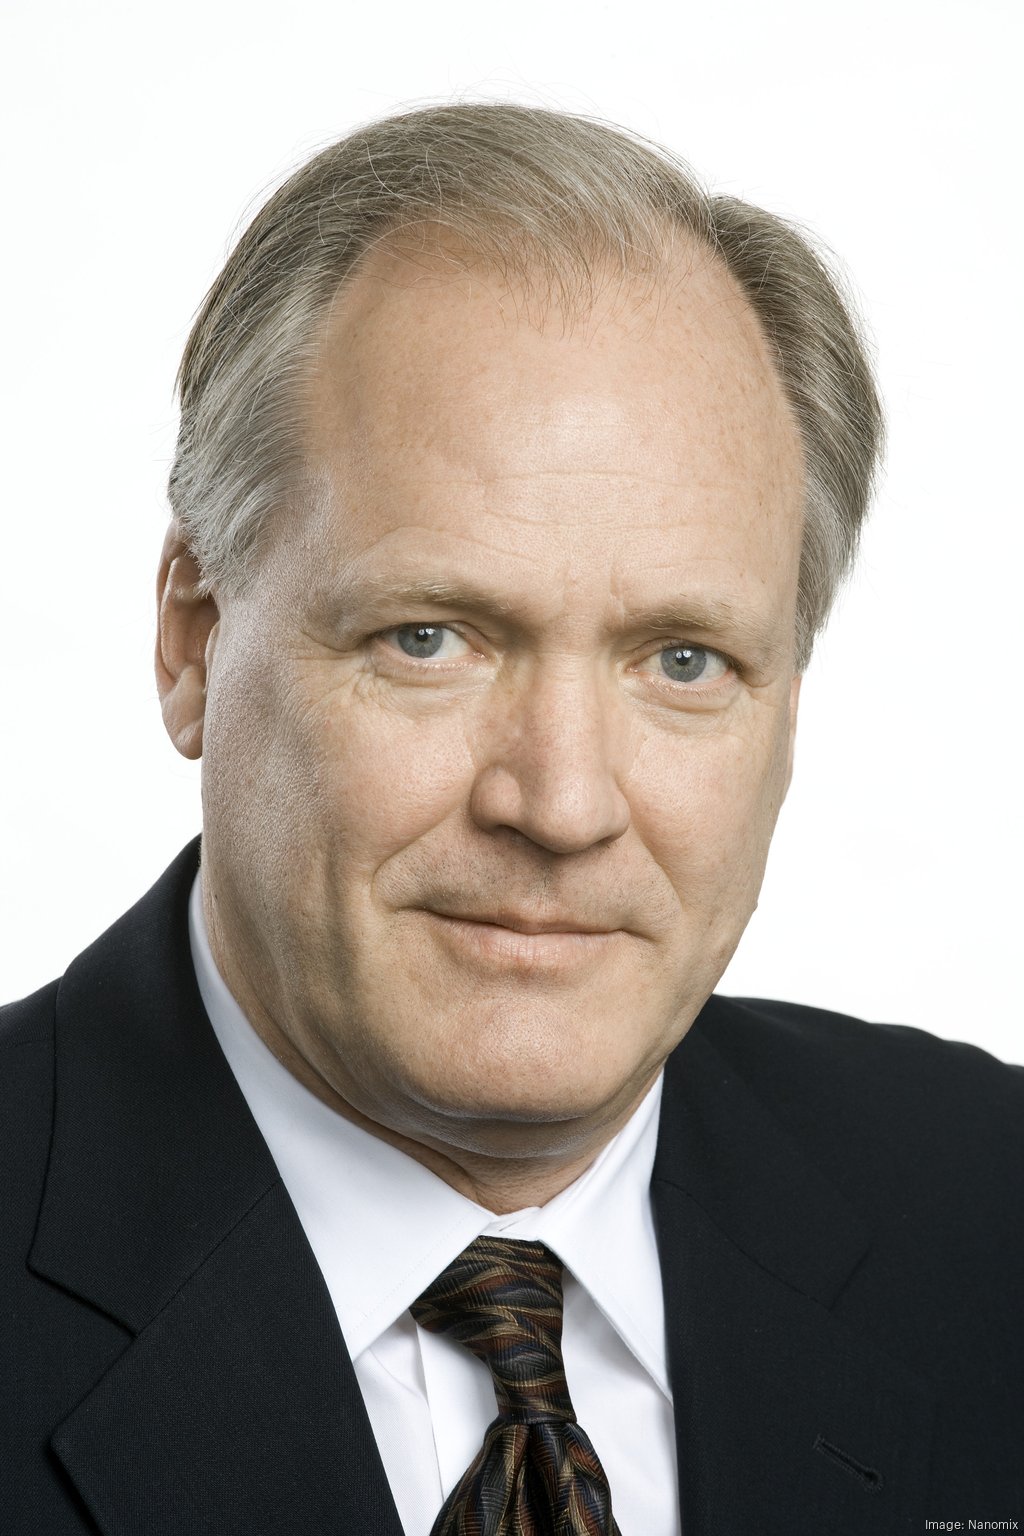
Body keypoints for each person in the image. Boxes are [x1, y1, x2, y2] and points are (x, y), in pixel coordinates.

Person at [2, 102, 1021, 1536]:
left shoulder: (990, 1206)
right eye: (430, 639)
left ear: (787, 706)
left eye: (683, 661)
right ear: (193, 641)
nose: (561, 804)